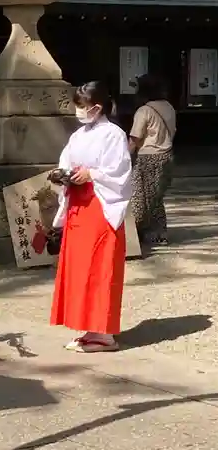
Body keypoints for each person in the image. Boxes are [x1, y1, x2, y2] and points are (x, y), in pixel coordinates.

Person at [50, 81, 132, 353]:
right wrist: (61, 174)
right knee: (79, 269)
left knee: (100, 267)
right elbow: (66, 161)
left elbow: (119, 172)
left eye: (83, 107)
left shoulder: (114, 134)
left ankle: (104, 333)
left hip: (100, 205)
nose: (79, 112)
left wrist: (92, 174)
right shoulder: (79, 135)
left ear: (97, 107)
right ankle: (87, 327)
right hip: (78, 204)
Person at [129, 74, 176, 246]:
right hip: (167, 155)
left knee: (139, 198)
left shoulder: (144, 110)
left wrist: (124, 156)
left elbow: (135, 138)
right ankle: (160, 232)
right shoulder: (169, 107)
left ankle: (144, 232)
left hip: (147, 158)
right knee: (156, 197)